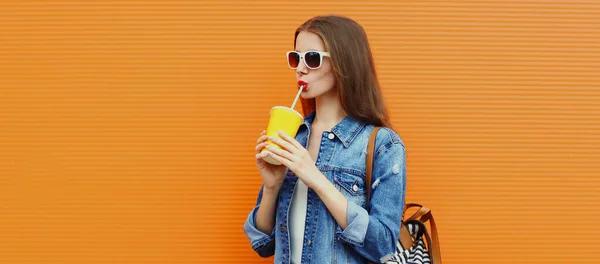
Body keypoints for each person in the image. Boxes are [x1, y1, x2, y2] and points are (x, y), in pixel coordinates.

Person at [243, 15, 406, 264]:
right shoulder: (294, 137)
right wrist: (272, 187)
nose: (300, 68)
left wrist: (316, 178)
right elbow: (264, 244)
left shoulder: (383, 144)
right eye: (295, 57)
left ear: (344, 63)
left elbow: (384, 246)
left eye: (312, 58)